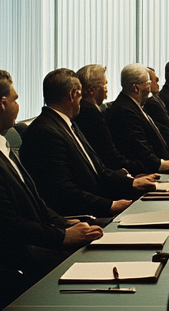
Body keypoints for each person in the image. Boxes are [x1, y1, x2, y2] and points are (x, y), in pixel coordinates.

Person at [0, 68, 103, 284]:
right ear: (3, 104)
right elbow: (8, 226)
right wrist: (63, 236)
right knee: (100, 261)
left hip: (32, 251)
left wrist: (63, 223)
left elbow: (35, 203)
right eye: (15, 100)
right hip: (11, 268)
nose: (18, 105)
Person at [19, 68, 159, 219]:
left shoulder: (66, 123)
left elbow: (99, 170)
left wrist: (131, 183)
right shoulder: (45, 132)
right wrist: (110, 205)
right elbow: (63, 192)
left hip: (96, 203)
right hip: (82, 216)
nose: (82, 101)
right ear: (72, 95)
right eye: (80, 94)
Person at [105, 63, 169, 173]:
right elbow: (138, 148)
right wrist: (161, 165)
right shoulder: (125, 111)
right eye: (148, 84)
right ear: (136, 88)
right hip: (148, 172)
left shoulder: (134, 105)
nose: (150, 89)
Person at [74, 63, 147, 177]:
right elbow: (109, 156)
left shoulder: (84, 111)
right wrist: (140, 167)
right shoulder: (92, 115)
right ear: (91, 90)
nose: (106, 89)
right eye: (105, 84)